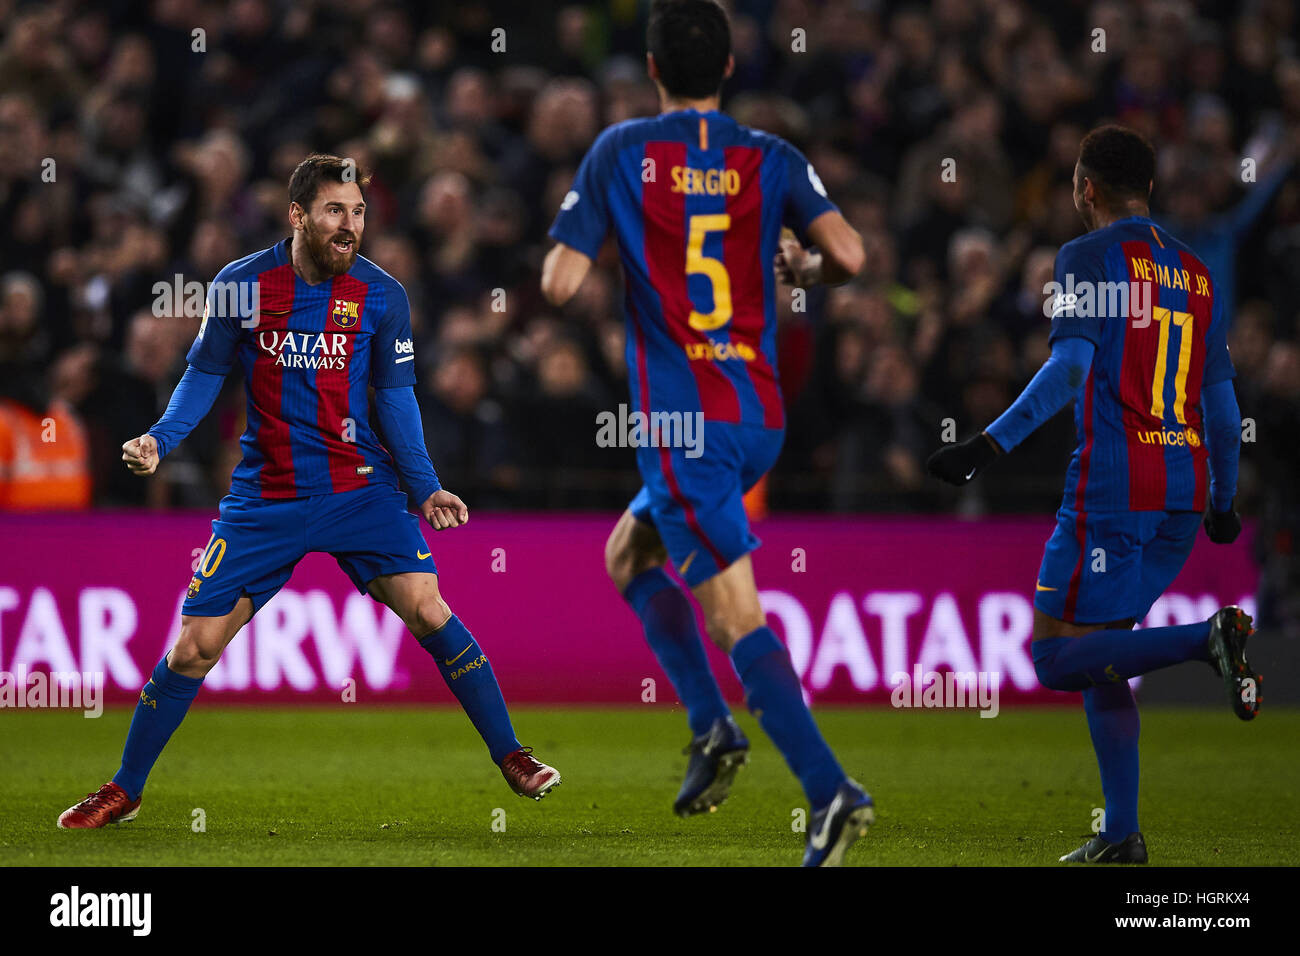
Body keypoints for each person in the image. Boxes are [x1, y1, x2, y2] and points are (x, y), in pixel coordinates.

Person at [59, 154, 560, 829]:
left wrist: (426, 486)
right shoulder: (242, 285)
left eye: (357, 212)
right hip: (266, 498)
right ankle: (125, 788)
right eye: (334, 211)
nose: (350, 224)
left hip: (360, 490)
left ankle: (513, 755)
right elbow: (204, 376)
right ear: (298, 215)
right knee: (193, 649)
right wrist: (160, 439)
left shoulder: (383, 296)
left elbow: (398, 398)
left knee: (428, 607)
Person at [541, 0, 869, 866]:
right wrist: (803, 266)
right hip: (757, 411)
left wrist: (603, 237)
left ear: (650, 68)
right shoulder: (773, 157)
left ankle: (830, 791)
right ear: (728, 69)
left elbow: (559, 285)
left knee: (734, 616)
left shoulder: (620, 152)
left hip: (690, 426)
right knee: (628, 556)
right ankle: (712, 728)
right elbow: (853, 257)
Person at [927, 125, 1258, 864]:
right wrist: (1224, 503)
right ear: (1150, 189)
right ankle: (1122, 834)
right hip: (1183, 491)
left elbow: (1069, 372)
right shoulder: (1199, 276)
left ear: (1086, 189)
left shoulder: (1086, 256)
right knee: (1102, 657)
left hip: (1114, 490)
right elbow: (1226, 414)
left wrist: (987, 445)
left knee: (1052, 658)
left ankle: (1205, 640)